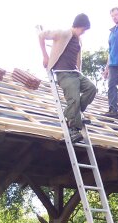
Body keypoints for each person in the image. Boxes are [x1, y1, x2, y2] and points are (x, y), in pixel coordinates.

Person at [39, 14, 97, 143]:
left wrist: (80, 73)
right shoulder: (63, 33)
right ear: (78, 26)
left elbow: (78, 60)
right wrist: (45, 56)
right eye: (83, 30)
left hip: (75, 73)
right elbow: (41, 35)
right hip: (63, 73)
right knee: (74, 98)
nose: (83, 33)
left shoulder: (79, 41)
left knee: (92, 89)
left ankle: (73, 114)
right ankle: (73, 128)